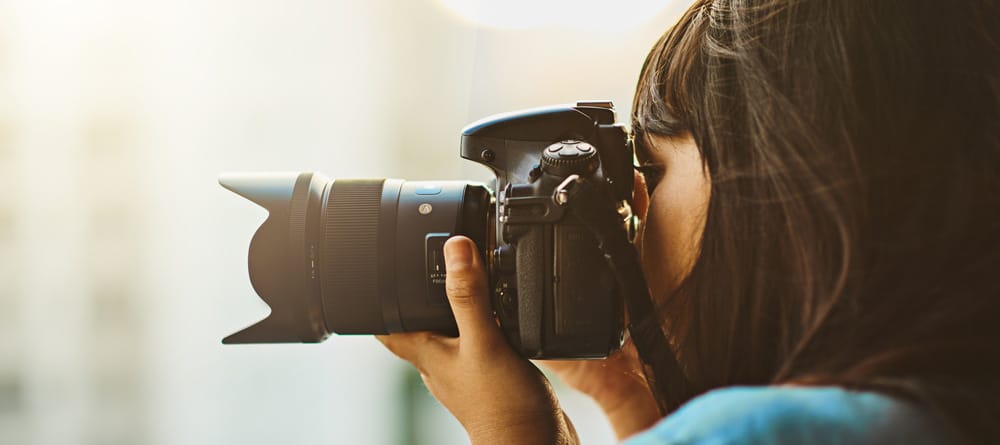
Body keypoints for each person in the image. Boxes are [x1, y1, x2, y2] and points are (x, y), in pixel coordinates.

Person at [378, 0, 1000, 443]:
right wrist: (633, 402)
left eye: (651, 170)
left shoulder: (763, 431)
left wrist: (513, 431)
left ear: (778, 194)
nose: (633, 217)